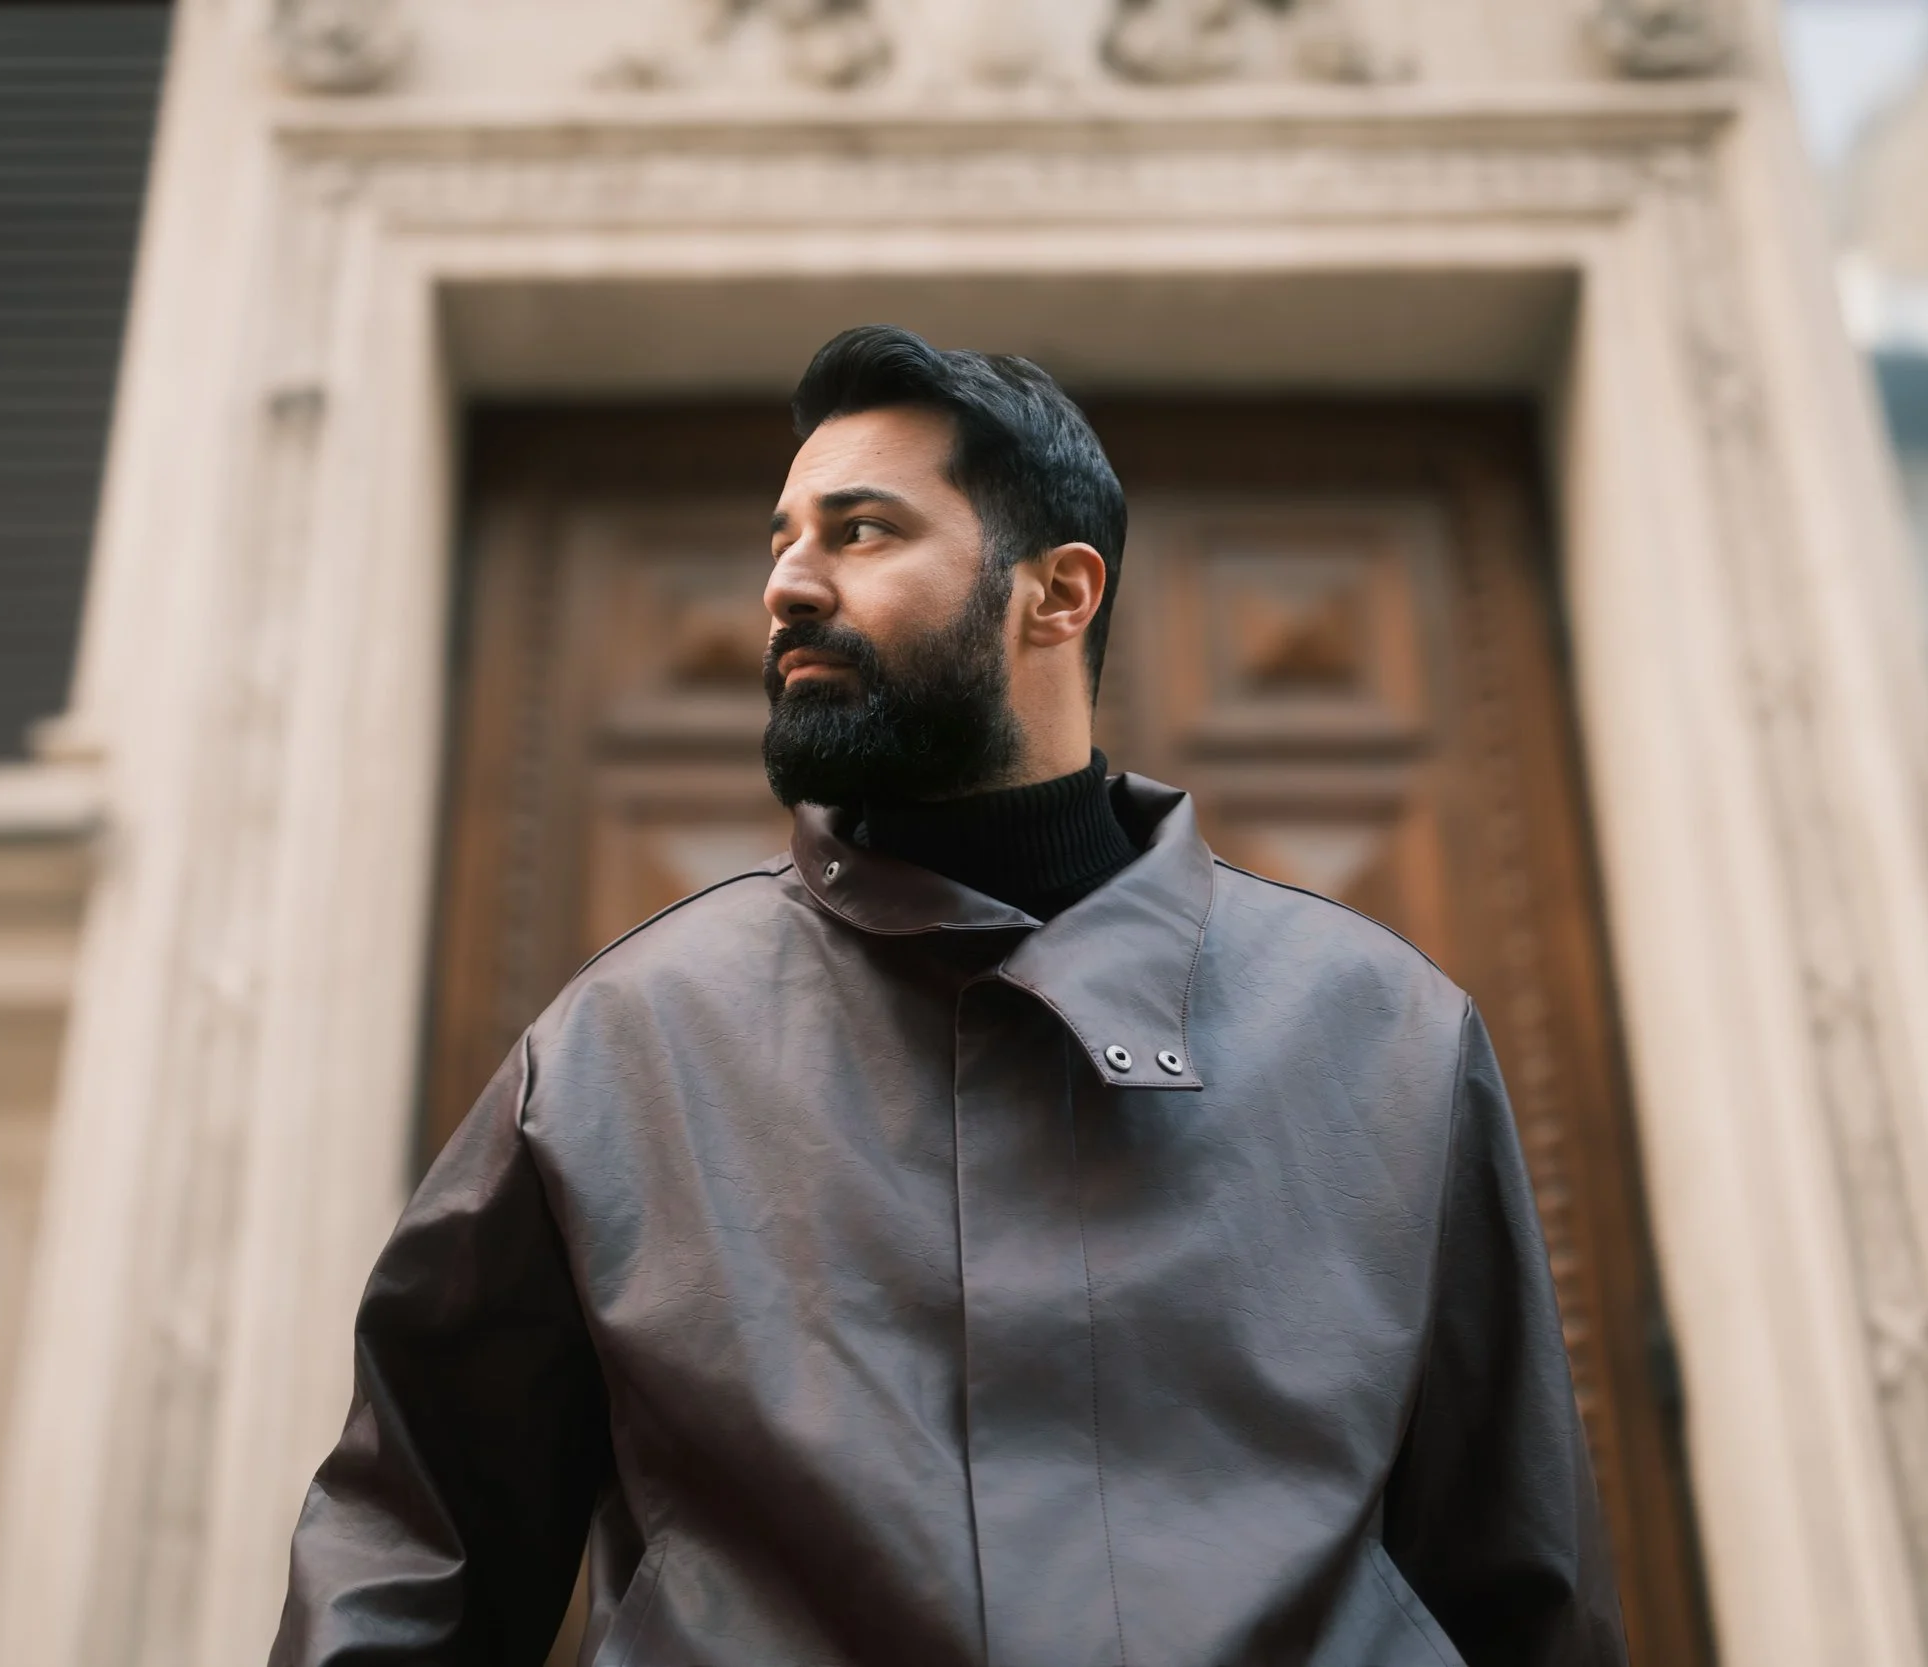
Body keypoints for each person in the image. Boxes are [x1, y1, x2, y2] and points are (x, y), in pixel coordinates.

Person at [269, 326, 1628, 1666]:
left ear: (1059, 593)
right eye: (783, 537)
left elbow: (1518, 1583)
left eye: (858, 531)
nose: (787, 583)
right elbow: (408, 1559)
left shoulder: (1382, 1032)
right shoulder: (626, 1043)